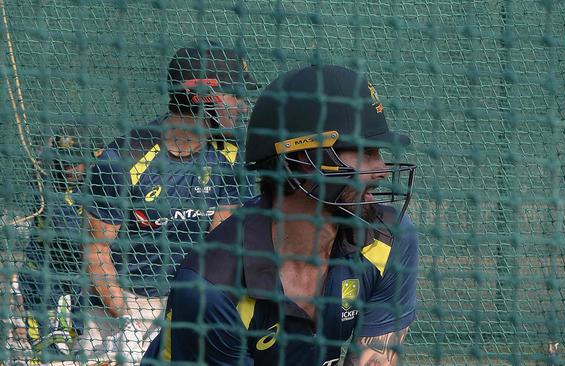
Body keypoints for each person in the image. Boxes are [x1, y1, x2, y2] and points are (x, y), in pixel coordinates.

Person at [143, 65, 419, 366]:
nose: (381, 169)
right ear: (303, 159)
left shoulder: (390, 238)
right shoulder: (212, 288)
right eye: (365, 152)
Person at [80, 42, 257, 364]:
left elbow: (225, 241)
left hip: (193, 299)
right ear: (202, 97)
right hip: (123, 302)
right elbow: (96, 250)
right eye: (235, 95)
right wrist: (129, 318)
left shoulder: (232, 154)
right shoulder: (124, 156)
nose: (243, 106)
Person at [17, 125, 101, 362]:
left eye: (77, 161)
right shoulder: (47, 183)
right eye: (64, 160)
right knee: (49, 350)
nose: (69, 168)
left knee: (85, 344)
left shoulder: (103, 180)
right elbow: (71, 231)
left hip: (80, 275)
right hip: (43, 276)